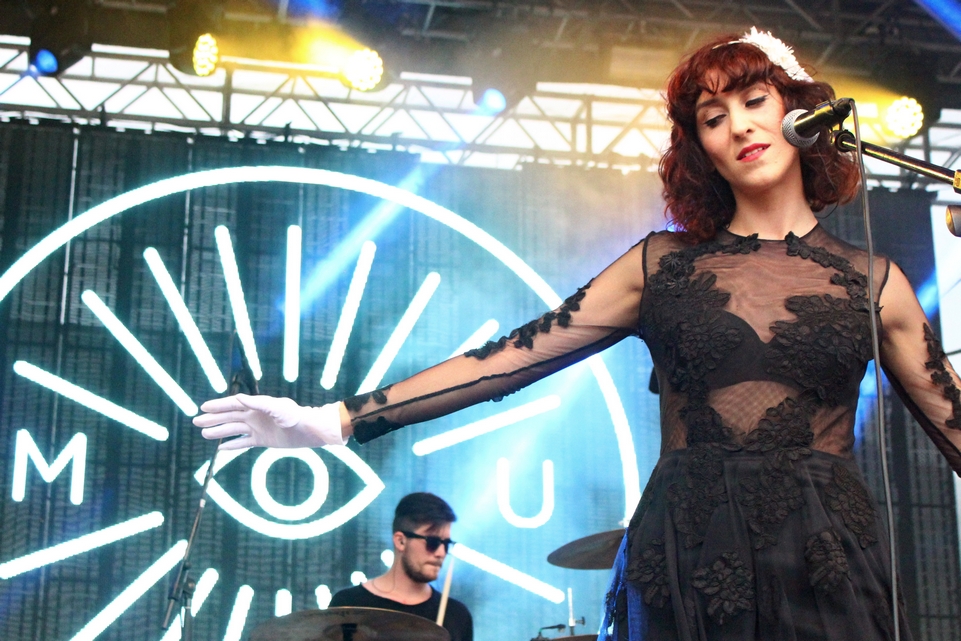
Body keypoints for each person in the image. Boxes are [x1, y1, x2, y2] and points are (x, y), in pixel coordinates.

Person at [194, 28, 961, 641]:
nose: (738, 126)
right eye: (711, 117)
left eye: (754, 100)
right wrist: (330, 421)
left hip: (828, 562)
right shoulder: (661, 265)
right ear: (699, 150)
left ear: (797, 108)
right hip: (687, 553)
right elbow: (509, 356)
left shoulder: (875, 279)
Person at [329, 492, 472, 641]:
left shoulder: (457, 616)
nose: (441, 553)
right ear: (401, 541)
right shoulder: (349, 605)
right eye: (432, 542)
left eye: (446, 544)